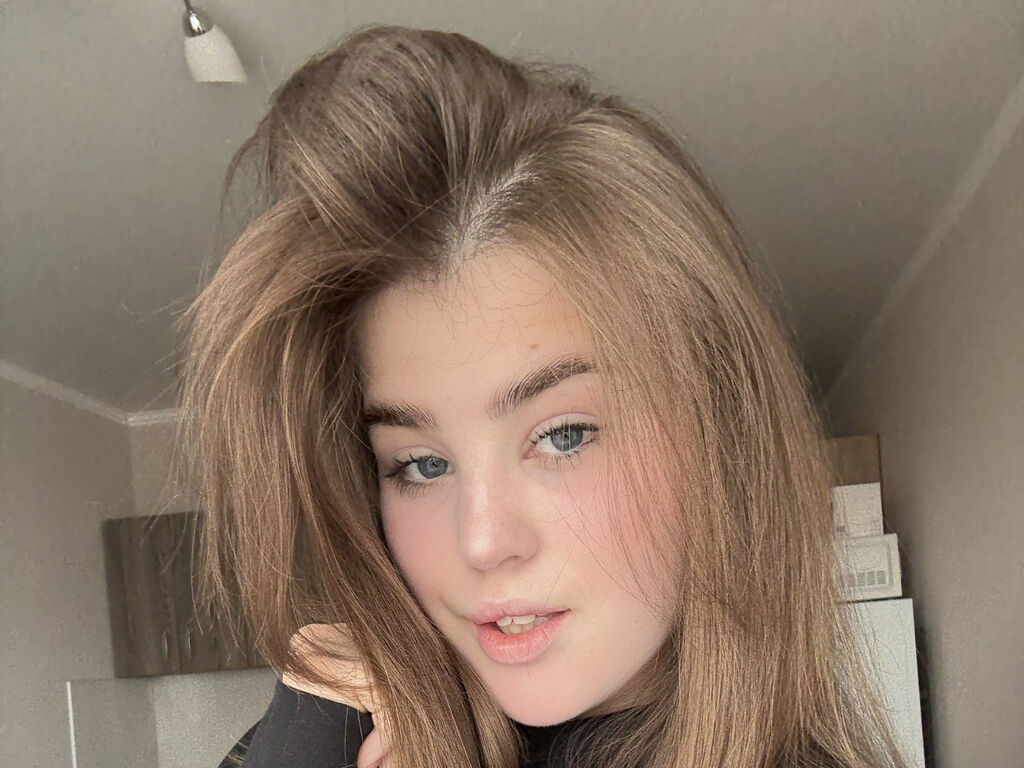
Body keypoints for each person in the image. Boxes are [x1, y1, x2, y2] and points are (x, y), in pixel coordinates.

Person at [176, 23, 908, 768]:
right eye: (421, 464)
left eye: (563, 436)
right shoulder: (325, 733)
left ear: (721, 434)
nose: (483, 541)